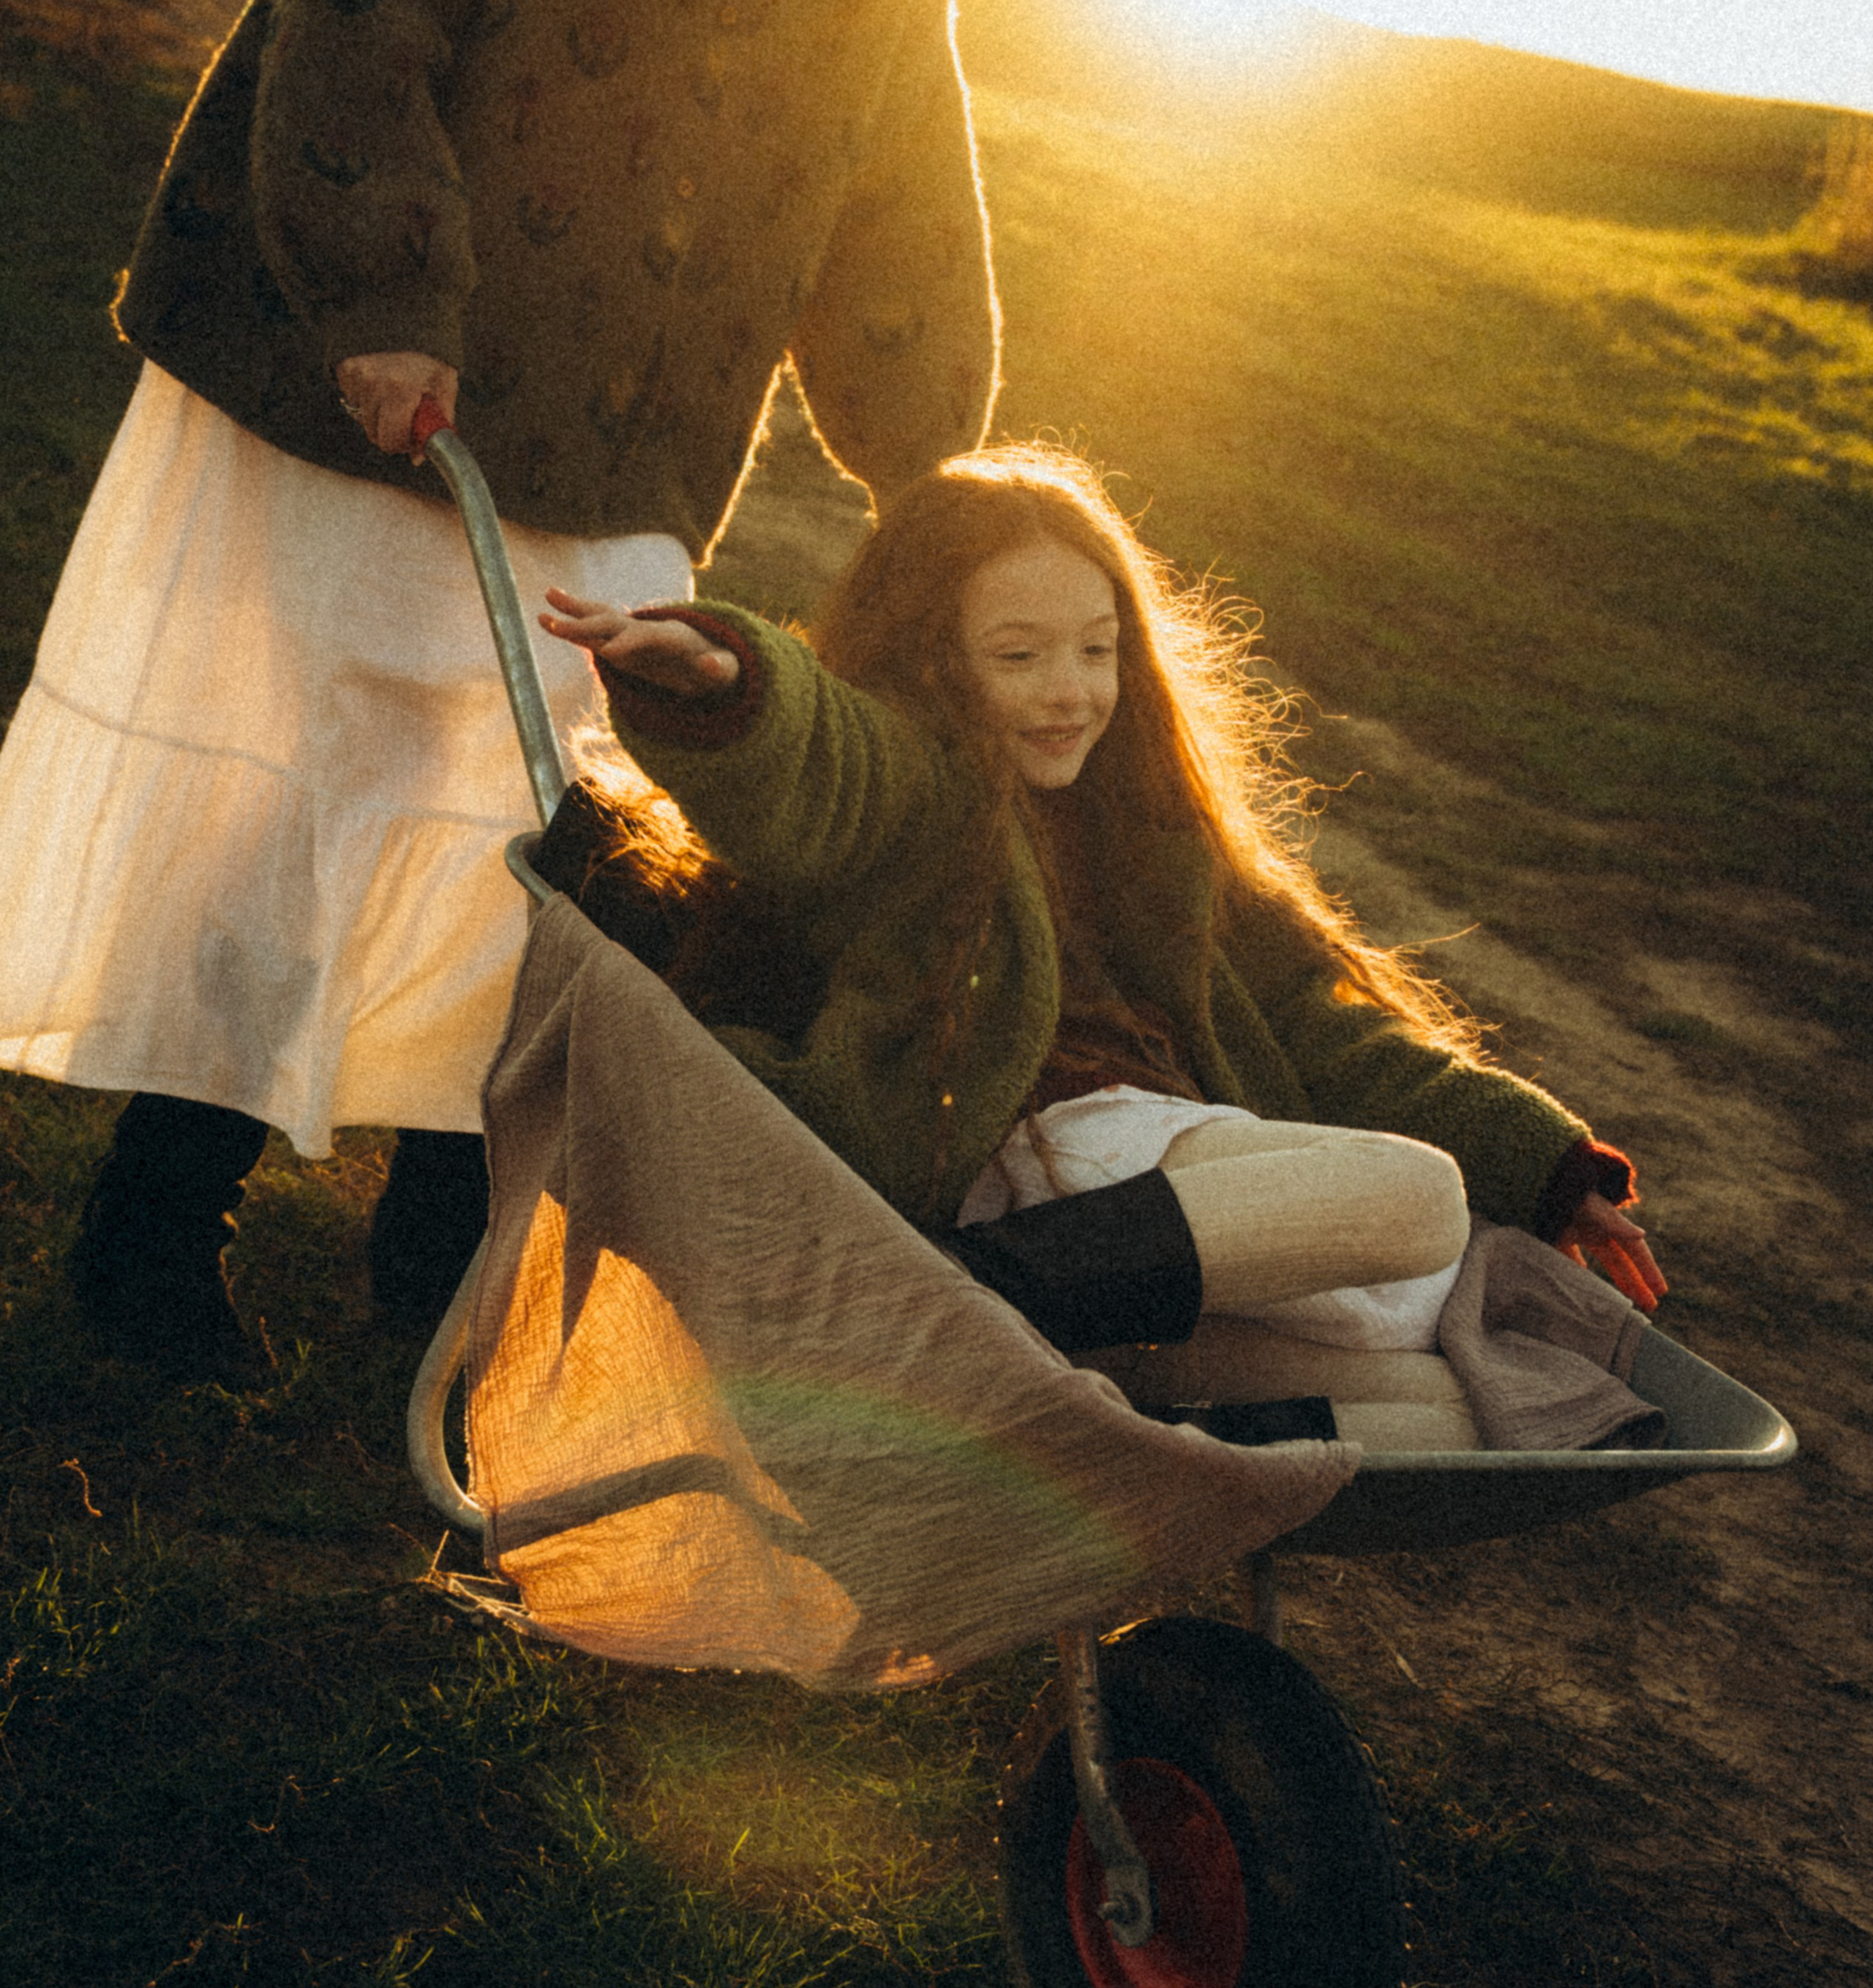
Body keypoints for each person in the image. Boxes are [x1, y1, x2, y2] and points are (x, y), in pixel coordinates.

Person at [0, 0, 998, 1381]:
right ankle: (155, 1225)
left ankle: (439, 1268)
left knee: (556, 852)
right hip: (391, 388)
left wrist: (933, 473)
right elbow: (354, 32)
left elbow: (906, 202)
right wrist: (387, 294)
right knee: (325, 791)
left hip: (631, 435)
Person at [530, 443, 1664, 1416]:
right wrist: (727, 681)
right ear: (935, 660)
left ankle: (1063, 1381)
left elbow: (1318, 1029)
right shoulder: (929, 791)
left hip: (1162, 1192)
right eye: (1018, 656)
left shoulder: (1152, 832)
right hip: (1037, 1153)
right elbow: (826, 757)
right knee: (1419, 1202)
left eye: (1097, 648)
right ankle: (950, 1298)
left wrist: (1547, 1164)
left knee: (1425, 1397)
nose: (1068, 690)